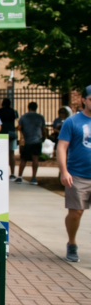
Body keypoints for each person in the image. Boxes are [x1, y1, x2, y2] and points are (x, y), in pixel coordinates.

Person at [57, 85, 91, 262]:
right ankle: (72, 243)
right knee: (76, 213)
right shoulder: (72, 122)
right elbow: (62, 147)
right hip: (77, 174)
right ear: (83, 100)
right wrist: (64, 171)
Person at [17, 102, 47, 185]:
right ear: (36, 108)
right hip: (37, 140)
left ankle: (19, 177)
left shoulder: (23, 117)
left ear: (28, 107)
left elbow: (19, 127)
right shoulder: (40, 117)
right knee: (35, 159)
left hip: (27, 141)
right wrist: (44, 137)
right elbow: (43, 129)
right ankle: (33, 178)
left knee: (23, 159)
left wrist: (23, 132)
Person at [0, 98, 20, 181]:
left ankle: (1, 171)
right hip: (12, 133)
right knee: (11, 153)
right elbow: (17, 123)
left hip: (2, 133)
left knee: (1, 153)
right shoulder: (14, 111)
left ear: (2, 103)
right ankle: (12, 173)